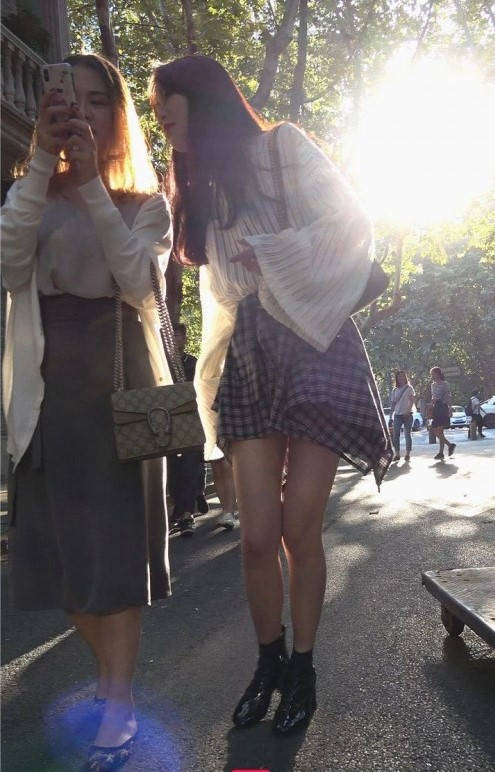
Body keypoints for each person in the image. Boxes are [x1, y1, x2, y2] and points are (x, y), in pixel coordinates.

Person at [150, 55, 392, 737]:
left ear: (202, 97)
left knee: (298, 528)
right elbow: (220, 296)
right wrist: (208, 378)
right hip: (252, 350)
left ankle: (304, 668)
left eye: (167, 102)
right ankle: (269, 663)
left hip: (314, 343)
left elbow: (352, 222)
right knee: (257, 536)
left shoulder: (281, 146)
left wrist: (277, 250)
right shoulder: (198, 186)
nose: (160, 115)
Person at [2, 54, 172, 770]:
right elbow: (8, 267)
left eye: (98, 101)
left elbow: (137, 281)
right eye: (67, 100)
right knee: (58, 558)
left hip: (119, 380)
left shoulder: (146, 204)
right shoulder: (30, 197)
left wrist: (96, 183)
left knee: (115, 552)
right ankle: (113, 679)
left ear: (117, 113)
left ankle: (118, 697)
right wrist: (43, 162)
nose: (82, 114)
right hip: (44, 389)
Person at [167, 322, 208, 536]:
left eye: (177, 336)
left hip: (191, 421)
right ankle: (190, 499)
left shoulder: (193, 363)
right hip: (167, 425)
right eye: (170, 336)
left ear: (184, 339)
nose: (174, 340)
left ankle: (186, 514)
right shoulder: (161, 364)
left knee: (191, 464)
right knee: (174, 468)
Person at [429, 367, 456, 459]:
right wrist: (432, 403)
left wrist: (450, 408)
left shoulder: (445, 384)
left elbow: (449, 396)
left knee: (440, 431)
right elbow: (433, 395)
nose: (432, 376)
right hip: (436, 408)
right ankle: (450, 445)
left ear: (438, 374)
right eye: (431, 374)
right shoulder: (432, 385)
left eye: (433, 374)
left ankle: (441, 453)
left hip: (443, 407)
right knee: (435, 430)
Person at [390, 370, 415, 462]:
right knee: (395, 435)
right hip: (397, 415)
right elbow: (393, 403)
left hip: (408, 414)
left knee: (407, 434)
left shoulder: (409, 388)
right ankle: (397, 454)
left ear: (405, 378)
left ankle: (407, 454)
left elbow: (412, 401)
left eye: (403, 376)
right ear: (397, 378)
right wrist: (391, 416)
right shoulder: (394, 390)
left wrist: (407, 412)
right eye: (399, 376)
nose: (401, 378)